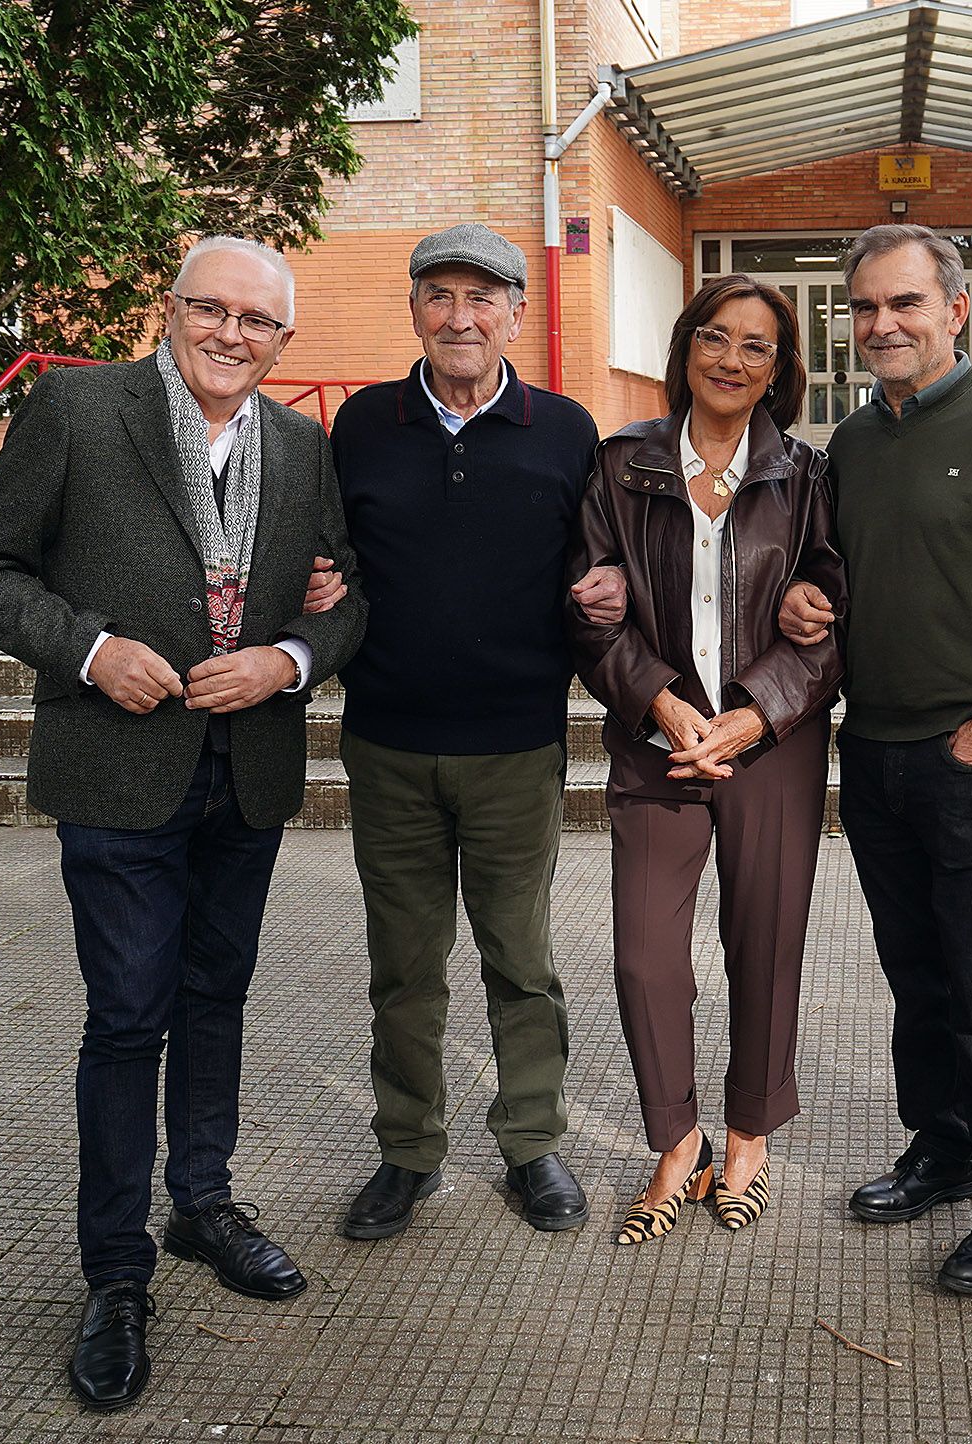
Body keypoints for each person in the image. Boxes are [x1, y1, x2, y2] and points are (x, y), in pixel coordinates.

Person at [0, 236, 366, 1411]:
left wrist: (286, 658)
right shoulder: (77, 410)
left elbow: (348, 597)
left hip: (249, 773)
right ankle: (115, 1276)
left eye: (258, 322)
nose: (232, 334)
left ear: (284, 340)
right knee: (129, 1014)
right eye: (210, 309)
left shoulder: (299, 442)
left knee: (215, 996)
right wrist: (87, 647)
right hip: (117, 770)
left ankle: (204, 1204)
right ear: (169, 310)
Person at [777, 224, 972, 1296]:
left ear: (956, 310)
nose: (881, 326)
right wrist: (809, 602)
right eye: (863, 309)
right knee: (914, 975)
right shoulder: (849, 446)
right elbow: (838, 580)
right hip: (871, 752)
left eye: (904, 304)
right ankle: (942, 1146)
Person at [328, 223, 604, 1241]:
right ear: (412, 309)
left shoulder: (564, 431)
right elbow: (327, 563)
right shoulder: (359, 426)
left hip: (514, 746)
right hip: (388, 741)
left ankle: (531, 1144)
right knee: (403, 964)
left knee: (519, 959)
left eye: (483, 297)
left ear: (516, 313)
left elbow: (600, 560)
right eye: (440, 295)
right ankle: (406, 1151)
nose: (460, 315)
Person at [567, 274, 844, 1244]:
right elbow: (587, 612)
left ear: (779, 369)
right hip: (658, 744)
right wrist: (659, 699)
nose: (732, 360)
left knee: (763, 945)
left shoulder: (807, 475)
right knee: (646, 958)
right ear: (684, 348)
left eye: (755, 346)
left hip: (770, 747)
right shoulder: (617, 466)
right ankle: (674, 1140)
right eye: (714, 339)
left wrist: (755, 710)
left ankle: (748, 1136)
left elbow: (830, 619)